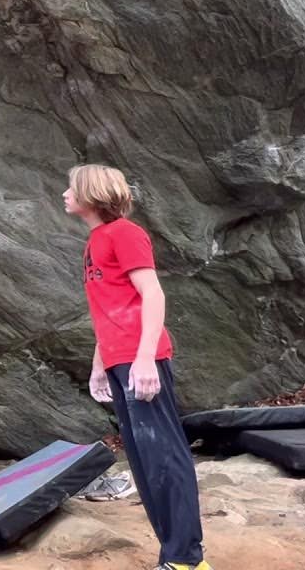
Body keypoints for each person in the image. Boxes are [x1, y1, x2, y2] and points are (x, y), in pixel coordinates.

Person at [63, 164, 212, 570]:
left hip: (141, 359)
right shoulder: (96, 240)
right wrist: (99, 364)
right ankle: (174, 556)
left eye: (71, 187)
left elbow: (153, 294)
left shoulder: (126, 234)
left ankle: (187, 559)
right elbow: (109, 308)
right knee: (145, 461)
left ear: (91, 193)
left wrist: (145, 357)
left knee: (165, 454)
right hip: (118, 360)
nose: (65, 194)